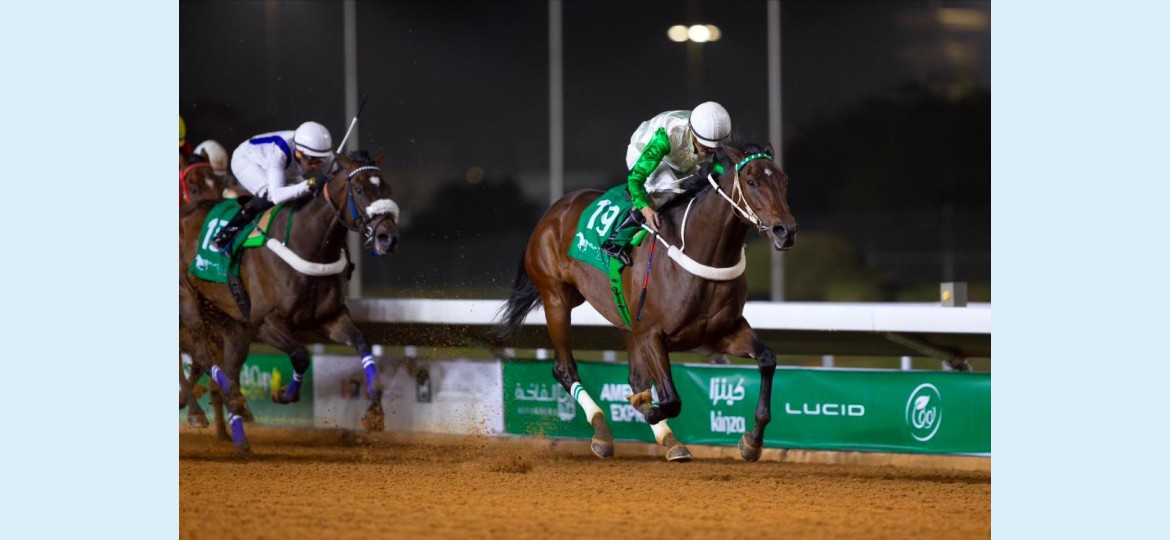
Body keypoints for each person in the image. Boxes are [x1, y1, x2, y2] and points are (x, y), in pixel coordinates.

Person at [598, 101, 732, 266]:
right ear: (693, 132)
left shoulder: (711, 136)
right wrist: (645, 207)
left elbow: (723, 170)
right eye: (705, 146)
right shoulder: (666, 137)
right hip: (643, 151)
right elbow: (635, 177)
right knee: (671, 187)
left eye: (712, 148)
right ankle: (615, 240)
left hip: (678, 160)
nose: (709, 151)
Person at [207, 121, 333, 253]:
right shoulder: (279, 153)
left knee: (306, 195)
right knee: (268, 196)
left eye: (320, 161)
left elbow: (336, 175)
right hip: (248, 160)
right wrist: (309, 184)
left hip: (283, 168)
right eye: (312, 161)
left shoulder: (322, 153)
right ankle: (224, 236)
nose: (315, 166)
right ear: (298, 152)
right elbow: (276, 196)